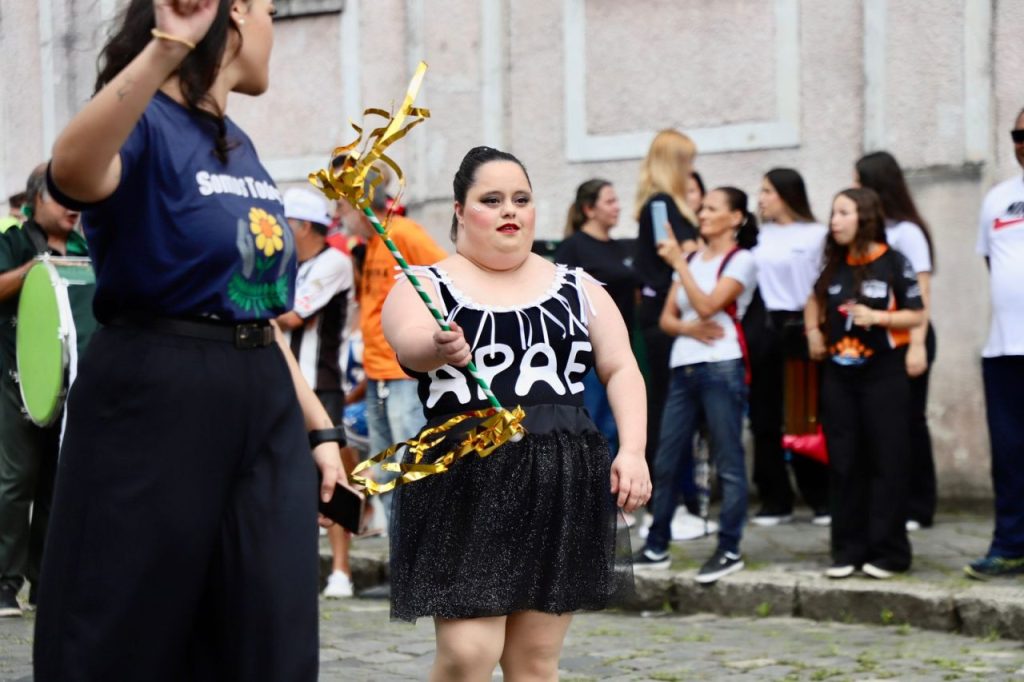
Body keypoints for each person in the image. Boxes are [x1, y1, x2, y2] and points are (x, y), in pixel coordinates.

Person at [34, 2, 346, 679]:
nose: (271, 24)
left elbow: (255, 309)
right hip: (158, 390)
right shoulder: (143, 119)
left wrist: (319, 431)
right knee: (125, 623)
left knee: (270, 629)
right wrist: (165, 50)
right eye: (266, 8)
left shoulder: (240, 144)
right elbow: (72, 172)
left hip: (259, 396)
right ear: (232, 16)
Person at [381, 146, 649, 681]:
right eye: (492, 199)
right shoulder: (426, 286)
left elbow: (621, 368)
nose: (510, 210)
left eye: (521, 199)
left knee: (534, 662)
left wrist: (634, 450)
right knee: (468, 654)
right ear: (459, 210)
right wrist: (441, 347)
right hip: (468, 479)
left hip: (561, 479)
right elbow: (409, 345)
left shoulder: (578, 288)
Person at [633, 187, 758, 584]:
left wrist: (679, 267)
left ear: (736, 217)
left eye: (712, 209)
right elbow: (668, 320)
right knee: (667, 458)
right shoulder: (688, 258)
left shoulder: (741, 261)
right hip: (684, 367)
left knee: (729, 459)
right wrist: (688, 327)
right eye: (702, 208)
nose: (702, 214)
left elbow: (708, 305)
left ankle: (729, 547)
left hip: (722, 365)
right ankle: (657, 544)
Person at [805, 188, 923, 580]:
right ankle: (846, 550)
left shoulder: (893, 262)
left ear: (865, 217)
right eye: (833, 212)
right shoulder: (834, 264)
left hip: (883, 374)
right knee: (844, 460)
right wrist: (813, 332)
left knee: (886, 459)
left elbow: (916, 314)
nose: (834, 220)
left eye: (843, 212)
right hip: (839, 375)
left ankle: (888, 552)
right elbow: (814, 300)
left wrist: (880, 319)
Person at [0, 164, 87, 617]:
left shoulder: (87, 248)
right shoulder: (12, 241)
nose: (74, 205)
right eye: (63, 196)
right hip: (16, 381)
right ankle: (2, 585)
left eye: (79, 196)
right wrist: (35, 270)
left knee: (60, 484)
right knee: (15, 483)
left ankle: (46, 583)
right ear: (36, 200)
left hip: (71, 386)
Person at [335, 164, 445, 516]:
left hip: (404, 376)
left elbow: (446, 280)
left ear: (360, 202)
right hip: (377, 374)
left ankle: (423, 549)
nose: (337, 215)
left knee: (409, 466)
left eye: (341, 205)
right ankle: (398, 550)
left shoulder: (405, 234)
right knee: (383, 470)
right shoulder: (367, 246)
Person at [277, 187, 356, 598]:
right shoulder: (289, 265)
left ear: (302, 226)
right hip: (287, 383)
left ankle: (341, 570)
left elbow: (289, 316)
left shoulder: (334, 262)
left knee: (333, 478)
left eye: (283, 222)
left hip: (322, 385)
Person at [855, 151, 937, 531]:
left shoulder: (908, 232)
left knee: (910, 423)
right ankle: (891, 503)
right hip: (882, 342)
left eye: (859, 181)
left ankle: (919, 506)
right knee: (887, 426)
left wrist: (917, 344)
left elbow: (921, 293)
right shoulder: (871, 235)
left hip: (910, 336)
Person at [749, 168, 830, 526]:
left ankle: (821, 497)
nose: (761, 198)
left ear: (786, 194)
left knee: (805, 415)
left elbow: (823, 284)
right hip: (766, 327)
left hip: (803, 325)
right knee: (765, 415)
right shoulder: (758, 236)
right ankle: (774, 499)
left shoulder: (817, 234)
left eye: (767, 191)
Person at [965, 109, 1024, 580]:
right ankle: (1010, 546)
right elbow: (994, 266)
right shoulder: (998, 199)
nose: (1022, 143)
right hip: (1005, 350)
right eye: (1017, 135)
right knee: (1009, 454)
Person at [632, 130, 700, 500]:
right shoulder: (661, 205)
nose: (692, 171)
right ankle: (667, 495)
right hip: (665, 314)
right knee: (667, 405)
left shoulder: (660, 204)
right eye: (687, 162)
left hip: (663, 311)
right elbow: (674, 253)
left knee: (669, 402)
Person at [555, 178, 634, 454]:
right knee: (593, 425)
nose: (618, 207)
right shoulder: (573, 247)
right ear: (589, 209)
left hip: (620, 349)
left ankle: (609, 495)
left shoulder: (621, 248)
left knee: (615, 428)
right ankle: (587, 493)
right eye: (610, 201)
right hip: (587, 354)